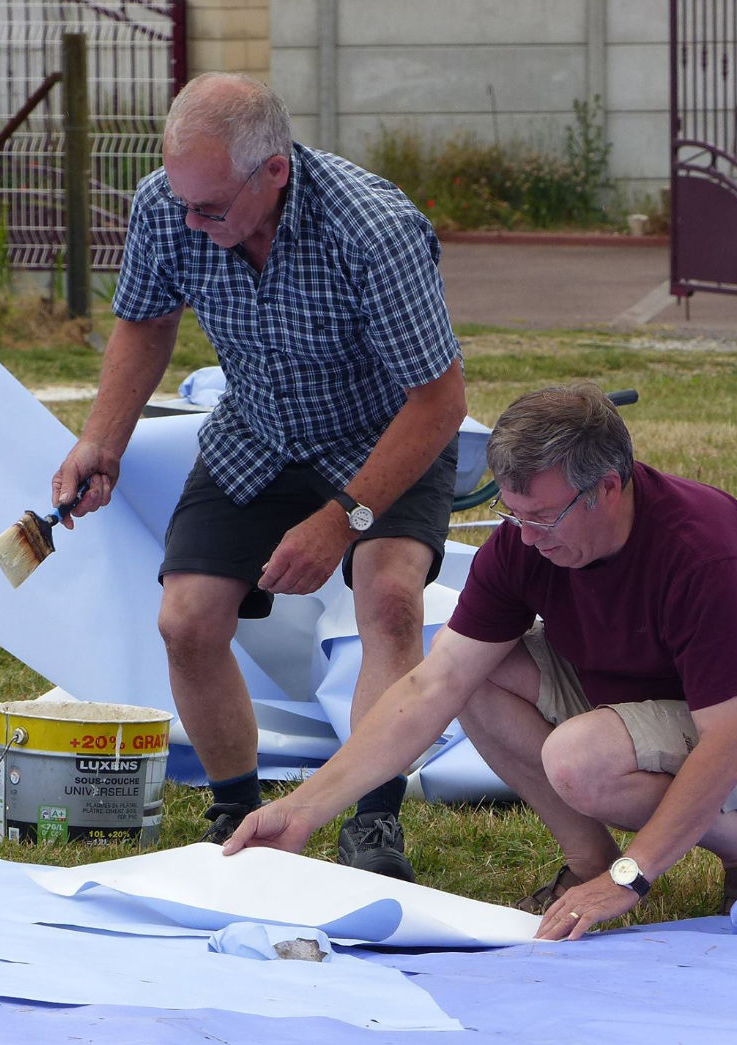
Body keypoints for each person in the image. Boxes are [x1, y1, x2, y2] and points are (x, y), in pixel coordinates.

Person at [225, 383, 737, 939]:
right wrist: (303, 808)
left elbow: (730, 744)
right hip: (647, 703)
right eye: (512, 516)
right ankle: (587, 862)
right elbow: (431, 686)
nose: (527, 538)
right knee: (469, 668)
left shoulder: (705, 551)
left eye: (545, 517)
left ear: (609, 486)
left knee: (581, 761)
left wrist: (632, 880)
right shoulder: (526, 542)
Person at [51, 73, 466, 879]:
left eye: (211, 209)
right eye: (184, 203)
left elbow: (440, 401)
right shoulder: (169, 206)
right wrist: (102, 440)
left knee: (387, 600)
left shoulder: (373, 230)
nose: (194, 224)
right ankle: (238, 817)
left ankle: (371, 824)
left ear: (273, 171)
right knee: (187, 619)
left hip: (387, 436)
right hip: (260, 430)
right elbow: (145, 321)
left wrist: (342, 516)